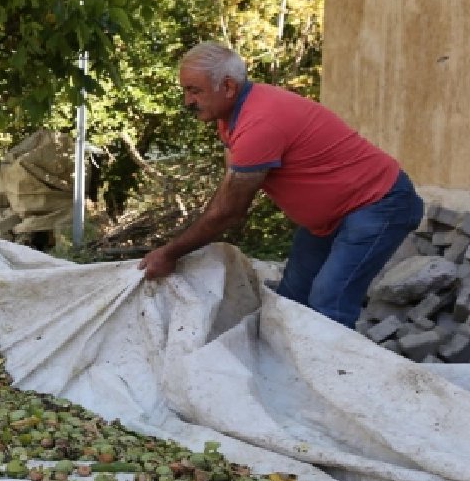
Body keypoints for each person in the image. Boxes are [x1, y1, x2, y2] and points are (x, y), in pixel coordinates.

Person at [139, 41, 424, 328]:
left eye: (194, 90)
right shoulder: (232, 118)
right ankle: (293, 370)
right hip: (332, 216)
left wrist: (170, 253)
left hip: (380, 203)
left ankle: (332, 373)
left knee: (329, 300)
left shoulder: (259, 123)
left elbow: (229, 211)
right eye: (185, 90)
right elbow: (229, 188)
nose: (188, 101)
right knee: (293, 297)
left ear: (227, 87)